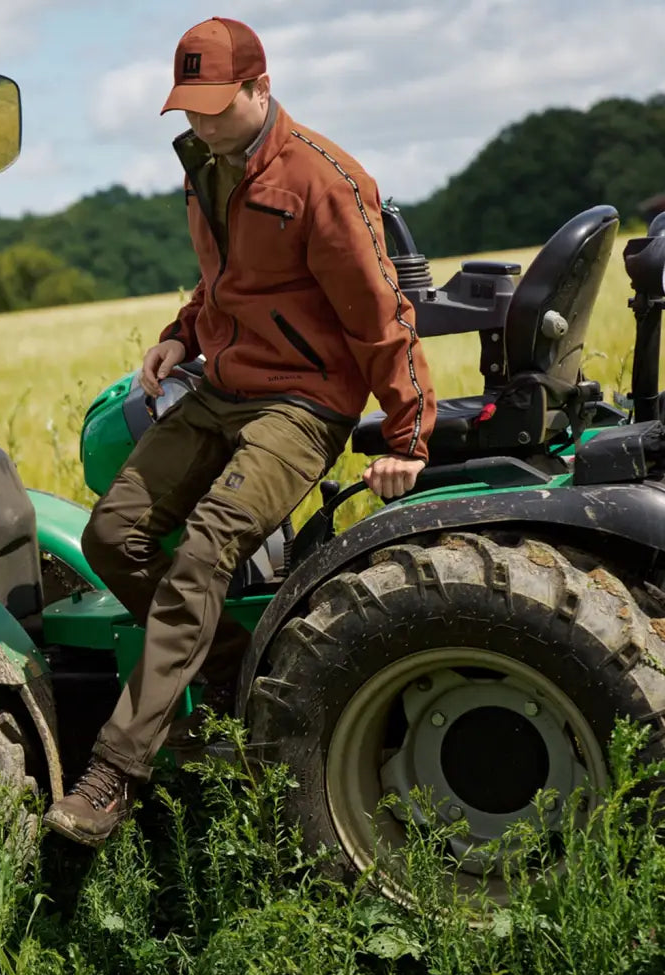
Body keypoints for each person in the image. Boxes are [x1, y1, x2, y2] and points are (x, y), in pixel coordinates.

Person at [44, 15, 437, 846]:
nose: (201, 121)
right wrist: (181, 333)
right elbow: (224, 281)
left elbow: (381, 315)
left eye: (217, 105)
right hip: (222, 385)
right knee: (112, 536)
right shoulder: (208, 169)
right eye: (189, 106)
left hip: (302, 402)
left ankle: (115, 771)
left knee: (206, 547)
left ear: (261, 87)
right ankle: (229, 672)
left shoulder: (321, 181)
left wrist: (407, 437)